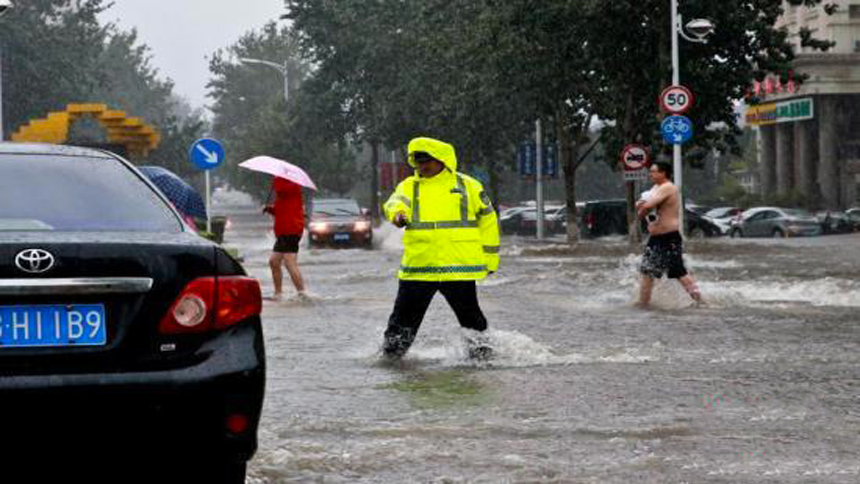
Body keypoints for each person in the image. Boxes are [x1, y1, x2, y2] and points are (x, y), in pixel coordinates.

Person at [381, 137, 500, 360]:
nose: (422, 167)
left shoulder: (468, 186)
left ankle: (484, 361)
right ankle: (391, 360)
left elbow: (488, 222)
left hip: (458, 267)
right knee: (402, 323)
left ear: (441, 160)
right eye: (418, 163)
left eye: (427, 162)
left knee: (472, 320)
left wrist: (490, 261)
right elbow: (394, 203)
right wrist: (397, 215)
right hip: (419, 266)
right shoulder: (409, 186)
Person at [635, 161, 703, 308]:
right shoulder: (656, 188)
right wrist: (642, 207)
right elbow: (641, 211)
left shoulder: (668, 188)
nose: (650, 174)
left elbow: (646, 205)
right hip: (656, 238)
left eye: (653, 171)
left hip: (669, 237)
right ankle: (642, 304)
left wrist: (642, 205)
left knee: (679, 271)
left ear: (663, 173)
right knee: (647, 272)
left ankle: (700, 302)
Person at [263, 177, 306, 300]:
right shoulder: (282, 195)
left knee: (289, 261)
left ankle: (302, 293)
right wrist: (269, 209)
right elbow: (281, 211)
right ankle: (278, 293)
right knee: (274, 261)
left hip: (292, 229)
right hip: (283, 231)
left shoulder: (292, 186)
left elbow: (281, 189)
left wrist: (276, 180)